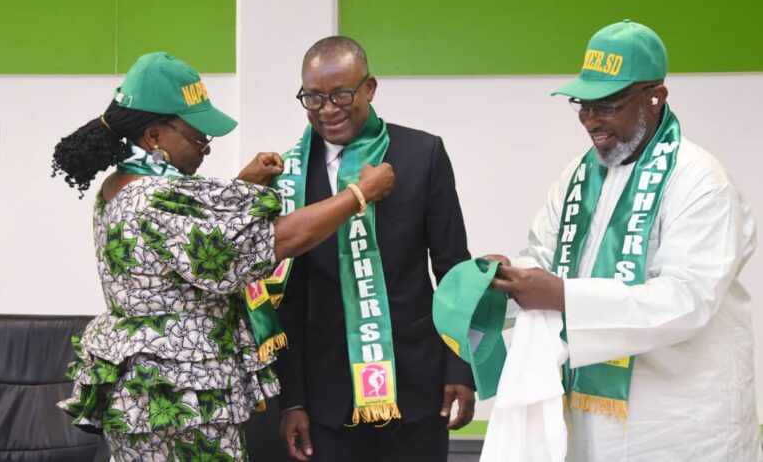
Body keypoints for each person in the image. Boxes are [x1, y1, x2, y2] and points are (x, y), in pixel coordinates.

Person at [52, 51, 394, 461]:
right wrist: (359, 194)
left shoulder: (120, 187)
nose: (206, 150)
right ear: (155, 135)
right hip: (181, 403)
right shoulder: (158, 199)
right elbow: (274, 242)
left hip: (147, 400)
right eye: (198, 137)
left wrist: (244, 183)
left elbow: (186, 245)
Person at [486, 20, 761, 461]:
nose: (591, 120)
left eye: (608, 105)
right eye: (583, 105)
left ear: (656, 97)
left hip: (681, 423)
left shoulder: (700, 180)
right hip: (591, 422)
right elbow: (544, 258)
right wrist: (506, 280)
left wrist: (564, 296)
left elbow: (687, 299)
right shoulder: (579, 176)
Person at [274, 36, 475, 462]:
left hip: (416, 383)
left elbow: (453, 269)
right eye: (313, 98)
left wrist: (461, 367)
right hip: (327, 396)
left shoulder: (422, 154)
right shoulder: (290, 174)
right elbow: (288, 297)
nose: (328, 109)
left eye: (341, 94)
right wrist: (292, 399)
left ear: (370, 87)